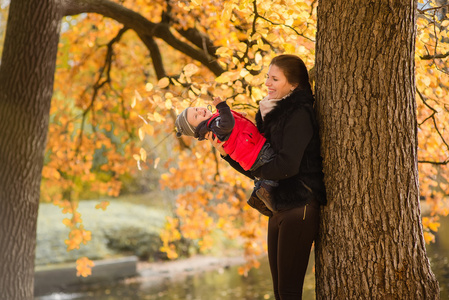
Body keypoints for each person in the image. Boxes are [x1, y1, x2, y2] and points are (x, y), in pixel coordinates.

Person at [207, 54, 327, 299]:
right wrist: (227, 154)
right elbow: (258, 164)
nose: (268, 84)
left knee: (288, 292)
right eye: (267, 78)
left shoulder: (299, 114)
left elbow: (287, 166)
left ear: (293, 85)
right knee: (279, 293)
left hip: (300, 205)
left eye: (275, 79)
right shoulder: (268, 112)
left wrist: (255, 169)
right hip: (278, 206)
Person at [175, 96, 278, 215]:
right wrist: (221, 106)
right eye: (196, 116)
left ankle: (259, 194)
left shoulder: (215, 122)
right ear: (197, 128)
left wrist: (238, 117)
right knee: (274, 167)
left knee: (266, 173)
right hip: (256, 151)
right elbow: (228, 124)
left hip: (253, 151)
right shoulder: (214, 125)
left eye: (196, 108)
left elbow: (231, 125)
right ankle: (265, 191)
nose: (199, 111)